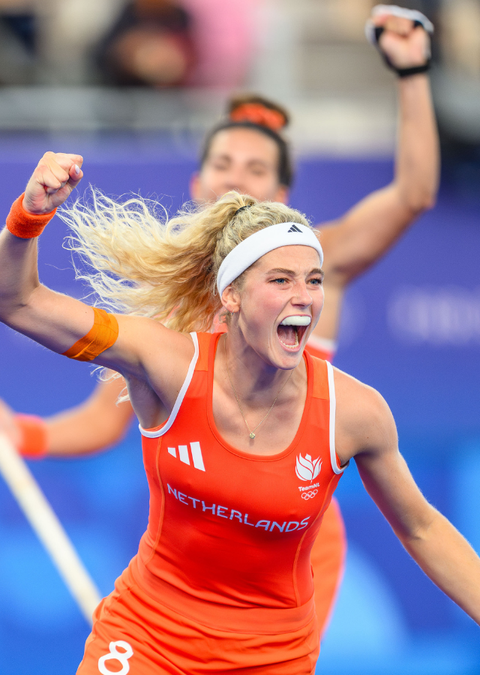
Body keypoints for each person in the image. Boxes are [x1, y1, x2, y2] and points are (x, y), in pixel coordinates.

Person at [0, 151, 480, 674]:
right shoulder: (165, 362)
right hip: (146, 638)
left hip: (273, 658)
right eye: (280, 280)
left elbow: (421, 527)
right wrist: (28, 216)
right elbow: (18, 300)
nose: (303, 297)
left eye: (312, 281)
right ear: (230, 296)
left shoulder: (354, 411)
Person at [0, 5, 440, 636]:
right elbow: (102, 419)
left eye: (256, 169)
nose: (237, 178)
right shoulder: (162, 313)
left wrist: (412, 70)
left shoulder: (321, 264)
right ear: (198, 179)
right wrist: (26, 436)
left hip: (293, 538)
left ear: (282, 193)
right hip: (199, 538)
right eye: (225, 164)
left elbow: (415, 193)